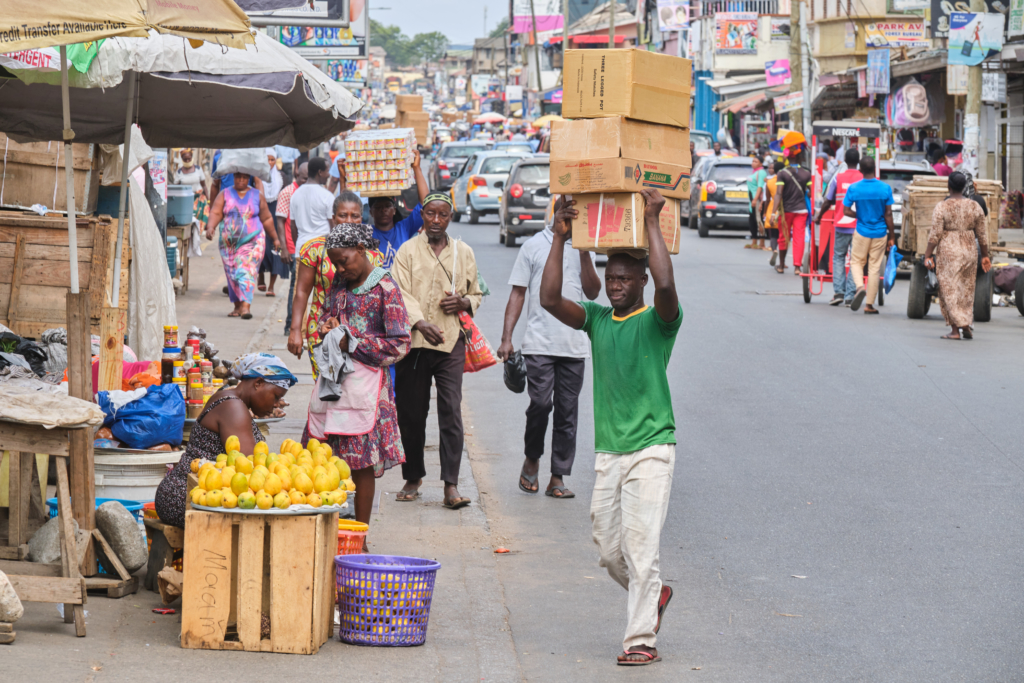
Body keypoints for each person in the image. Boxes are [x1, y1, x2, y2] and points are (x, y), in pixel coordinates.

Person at [539, 188, 681, 667]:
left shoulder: (659, 320)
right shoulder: (598, 319)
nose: (616, 284)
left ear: (639, 280)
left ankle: (640, 639)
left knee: (642, 547)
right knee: (607, 548)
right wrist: (560, 238)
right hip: (609, 452)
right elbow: (549, 297)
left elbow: (666, 287)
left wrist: (653, 221)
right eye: (611, 277)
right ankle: (654, 594)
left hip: (652, 449)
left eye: (625, 278)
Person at [496, 202, 601, 499]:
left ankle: (558, 476)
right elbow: (518, 293)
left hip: (575, 345)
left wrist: (583, 251)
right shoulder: (533, 246)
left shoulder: (586, 249)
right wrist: (507, 338)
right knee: (540, 404)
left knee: (568, 413)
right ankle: (532, 456)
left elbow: (593, 292)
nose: (571, 221)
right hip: (539, 343)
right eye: (567, 216)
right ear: (556, 215)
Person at [314, 222, 411, 531]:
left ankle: (360, 531)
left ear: (361, 250)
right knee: (325, 454)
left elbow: (400, 344)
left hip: (368, 388)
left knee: (361, 462)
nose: (340, 268)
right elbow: (326, 316)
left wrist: (354, 343)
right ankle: (329, 526)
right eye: (335, 263)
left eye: (345, 260)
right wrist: (326, 326)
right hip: (334, 381)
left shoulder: (385, 289)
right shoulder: (339, 286)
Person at [391, 193, 484, 510]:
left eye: (442, 215)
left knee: (451, 412)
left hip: (449, 342)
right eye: (430, 213)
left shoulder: (464, 252)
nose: (435, 220)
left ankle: (451, 484)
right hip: (414, 345)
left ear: (450, 217)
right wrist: (418, 322)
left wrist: (465, 303)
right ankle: (413, 477)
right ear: (424, 215)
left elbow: (477, 291)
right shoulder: (407, 251)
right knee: (411, 414)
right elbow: (399, 292)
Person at [154, 354, 297, 528]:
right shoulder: (234, 407)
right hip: (185, 498)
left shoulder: (228, 397)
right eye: (276, 396)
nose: (277, 404)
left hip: (189, 493)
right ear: (258, 384)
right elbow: (251, 468)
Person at [287, 192, 383, 377]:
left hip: (360, 335)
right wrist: (295, 330)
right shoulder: (315, 249)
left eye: (354, 216)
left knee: (355, 390)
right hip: (321, 330)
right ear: (333, 217)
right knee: (327, 388)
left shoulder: (371, 253)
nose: (348, 220)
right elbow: (301, 292)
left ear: (361, 218)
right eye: (342, 215)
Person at [923, 172, 991, 339]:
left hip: (949, 250)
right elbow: (982, 235)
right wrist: (985, 255)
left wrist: (927, 255)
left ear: (949, 186)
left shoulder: (942, 206)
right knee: (966, 289)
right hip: (969, 249)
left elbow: (935, 234)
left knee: (948, 289)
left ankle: (956, 329)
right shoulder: (975, 206)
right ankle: (966, 323)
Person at [205, 172, 281, 319]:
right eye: (238, 177)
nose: (241, 180)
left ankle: (246, 306)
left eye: (245, 177)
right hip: (229, 245)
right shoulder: (225, 194)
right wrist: (210, 227)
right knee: (232, 274)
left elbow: (266, 218)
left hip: (253, 241)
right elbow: (216, 212)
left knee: (246, 270)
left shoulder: (256, 195)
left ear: (250, 178)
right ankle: (237, 306)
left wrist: (275, 238)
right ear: (234, 178)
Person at [843, 156, 894, 314]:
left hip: (861, 232)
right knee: (874, 268)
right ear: (875, 169)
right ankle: (869, 305)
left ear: (860, 170)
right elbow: (888, 214)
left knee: (857, 262)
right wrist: (891, 235)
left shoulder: (854, 188)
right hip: (880, 233)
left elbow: (845, 210)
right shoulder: (885, 188)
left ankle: (859, 287)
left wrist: (860, 216)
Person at [814, 148, 862, 306]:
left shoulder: (838, 178)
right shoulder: (863, 178)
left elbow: (828, 201)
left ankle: (838, 293)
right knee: (856, 260)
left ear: (845, 161)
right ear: (859, 161)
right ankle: (850, 296)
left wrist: (819, 216)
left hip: (841, 225)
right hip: (859, 227)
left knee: (838, 258)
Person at [368, 150, 429, 269]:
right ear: (371, 212)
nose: (383, 210)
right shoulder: (366, 232)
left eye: (387, 206)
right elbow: (345, 222)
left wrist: (417, 168)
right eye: (378, 207)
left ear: (394, 210)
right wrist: (343, 180)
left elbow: (425, 203)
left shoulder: (404, 228)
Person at [277, 162, 307, 335]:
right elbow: (280, 221)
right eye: (303, 178)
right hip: (292, 245)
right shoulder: (288, 192)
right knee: (295, 287)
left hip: (306, 246)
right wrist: (284, 248)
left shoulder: (308, 191)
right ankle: (290, 325)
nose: (306, 181)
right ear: (297, 175)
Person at [773, 145, 813, 275]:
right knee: (799, 238)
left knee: (783, 237)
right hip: (801, 210)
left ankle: (781, 265)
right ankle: (797, 267)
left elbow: (779, 193)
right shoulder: (807, 173)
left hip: (786, 211)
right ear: (800, 158)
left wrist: (773, 212)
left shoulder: (782, 173)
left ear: (787, 158)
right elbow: (811, 193)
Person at [290, 157, 335, 260]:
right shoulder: (327, 196)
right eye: (327, 171)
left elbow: (293, 227)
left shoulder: (295, 195)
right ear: (320, 172)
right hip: (323, 253)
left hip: (301, 251)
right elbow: (333, 226)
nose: (329, 175)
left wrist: (299, 246)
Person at [257, 148, 287, 297]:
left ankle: (271, 286)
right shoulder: (257, 177)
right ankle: (260, 275)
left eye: (272, 160)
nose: (269, 163)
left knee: (276, 249)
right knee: (260, 247)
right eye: (267, 160)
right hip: (260, 215)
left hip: (276, 217)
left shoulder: (282, 178)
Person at [745, 156, 768, 250]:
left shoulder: (761, 172)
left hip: (757, 199)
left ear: (761, 164)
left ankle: (762, 242)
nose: (753, 163)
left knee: (759, 221)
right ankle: (754, 241)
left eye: (756, 161)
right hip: (751, 199)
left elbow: (760, 187)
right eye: (753, 161)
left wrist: (755, 199)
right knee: (752, 221)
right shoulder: (754, 172)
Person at [763, 161, 784, 267]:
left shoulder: (769, 182)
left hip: (772, 209)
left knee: (773, 235)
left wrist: (765, 212)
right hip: (784, 209)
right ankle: (782, 261)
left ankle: (774, 250)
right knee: (783, 235)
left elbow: (767, 199)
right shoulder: (786, 180)